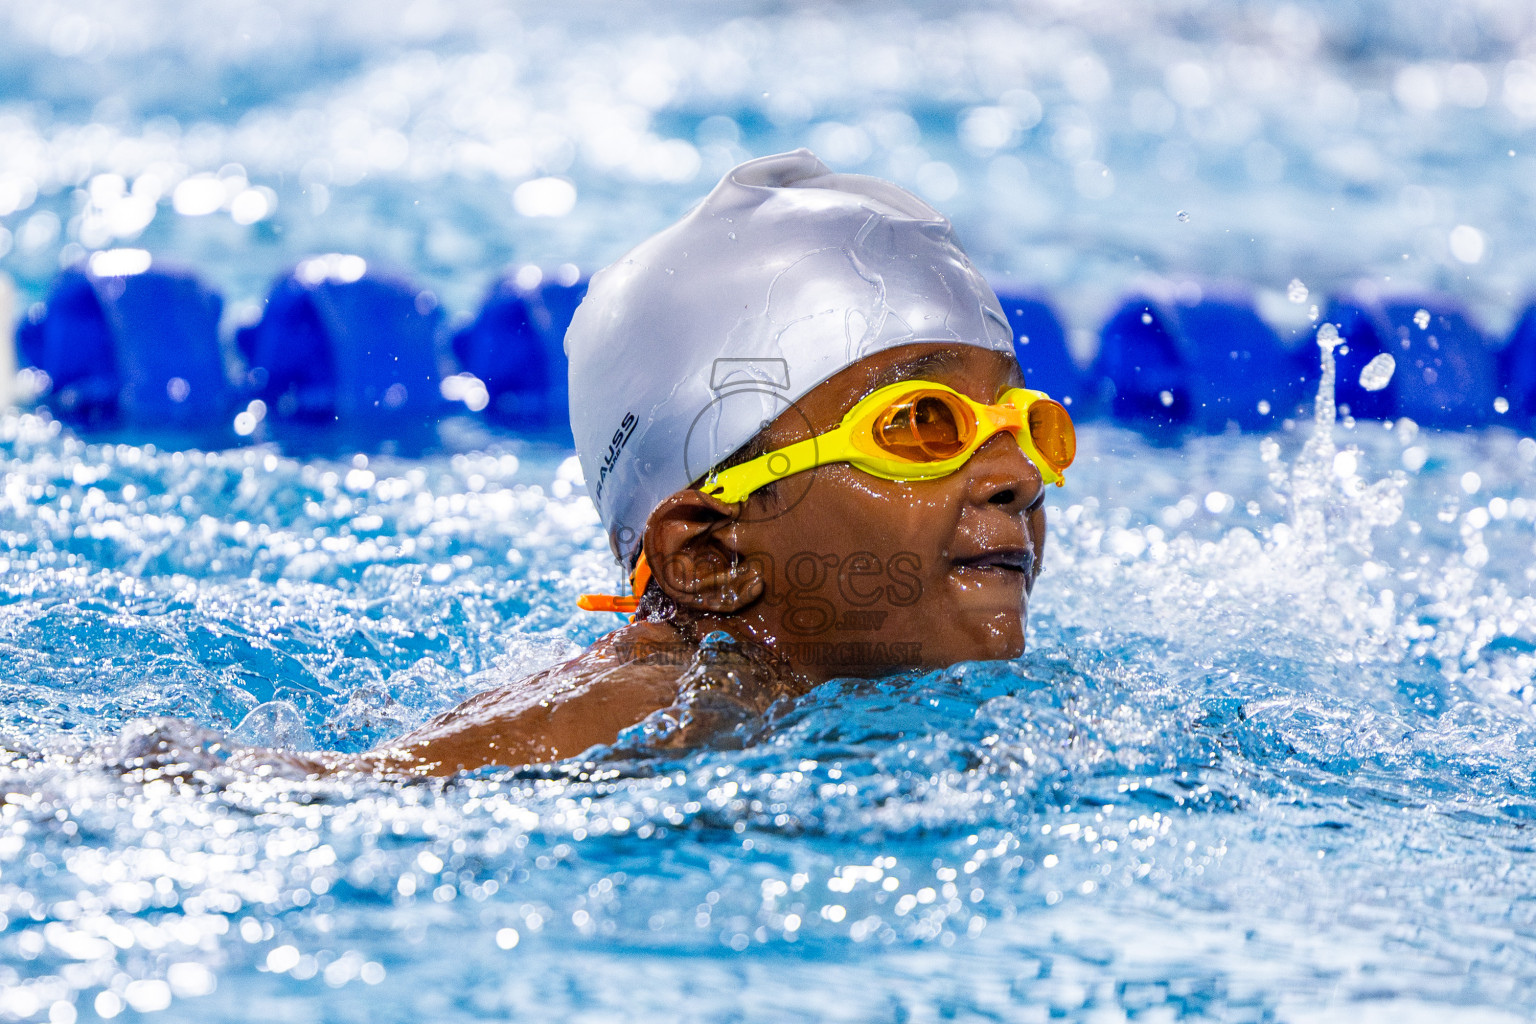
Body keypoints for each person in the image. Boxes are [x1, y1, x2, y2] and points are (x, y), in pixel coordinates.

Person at [325, 149, 1075, 777]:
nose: (1018, 477)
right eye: (919, 424)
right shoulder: (649, 709)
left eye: (1023, 423)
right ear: (709, 555)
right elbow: (323, 799)